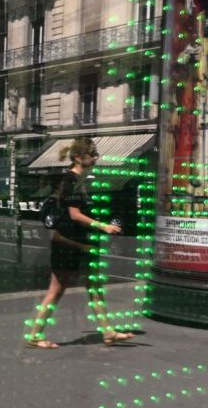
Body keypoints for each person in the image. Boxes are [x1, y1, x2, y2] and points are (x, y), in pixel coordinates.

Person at [25, 138, 134, 349]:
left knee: (94, 288)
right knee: (56, 290)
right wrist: (103, 226)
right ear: (78, 157)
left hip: (81, 242)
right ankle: (34, 335)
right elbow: (74, 215)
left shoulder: (79, 180)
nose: (95, 158)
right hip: (69, 244)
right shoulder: (71, 181)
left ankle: (108, 332)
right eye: (92, 155)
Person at [170, 0, 208, 191]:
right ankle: (180, 177)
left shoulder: (197, 6)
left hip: (191, 74)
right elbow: (174, 36)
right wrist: (184, 51)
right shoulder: (174, 1)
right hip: (178, 74)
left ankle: (185, 175)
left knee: (191, 124)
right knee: (182, 124)